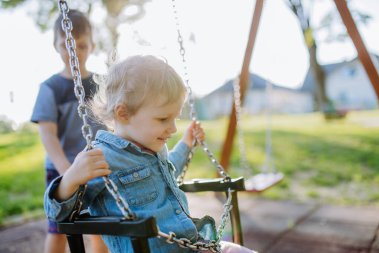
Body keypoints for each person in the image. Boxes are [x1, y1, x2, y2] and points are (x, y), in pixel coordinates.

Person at [44, 55, 256, 253]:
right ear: (123, 113)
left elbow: (168, 172)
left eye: (175, 118)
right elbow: (57, 214)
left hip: (193, 245)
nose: (173, 128)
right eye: (163, 119)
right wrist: (70, 180)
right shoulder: (102, 157)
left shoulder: (154, 147)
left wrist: (186, 144)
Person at [31, 9, 108, 253]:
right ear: (55, 45)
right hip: (61, 168)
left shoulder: (101, 84)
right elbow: (48, 134)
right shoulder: (50, 88)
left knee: (102, 227)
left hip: (96, 166)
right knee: (60, 230)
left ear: (92, 45)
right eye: (66, 45)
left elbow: (113, 124)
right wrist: (67, 170)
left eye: (82, 45)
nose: (74, 51)